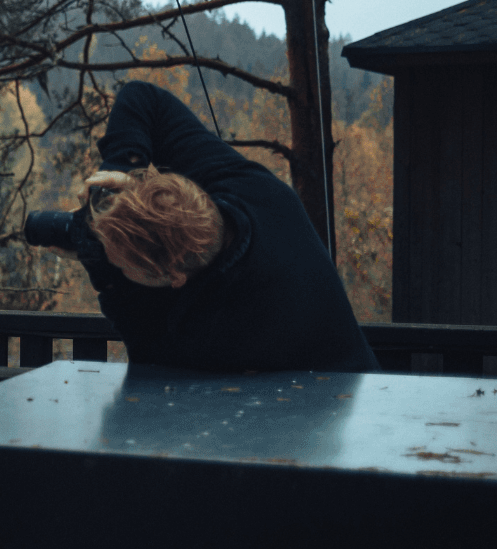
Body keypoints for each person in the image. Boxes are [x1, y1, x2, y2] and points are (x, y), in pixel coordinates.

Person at [56, 81, 378, 372]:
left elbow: (150, 380)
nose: (120, 270)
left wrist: (105, 275)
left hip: (327, 421)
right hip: (362, 394)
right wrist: (120, 173)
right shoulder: (252, 189)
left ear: (174, 277)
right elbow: (143, 97)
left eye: (125, 267)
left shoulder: (218, 333)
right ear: (192, 189)